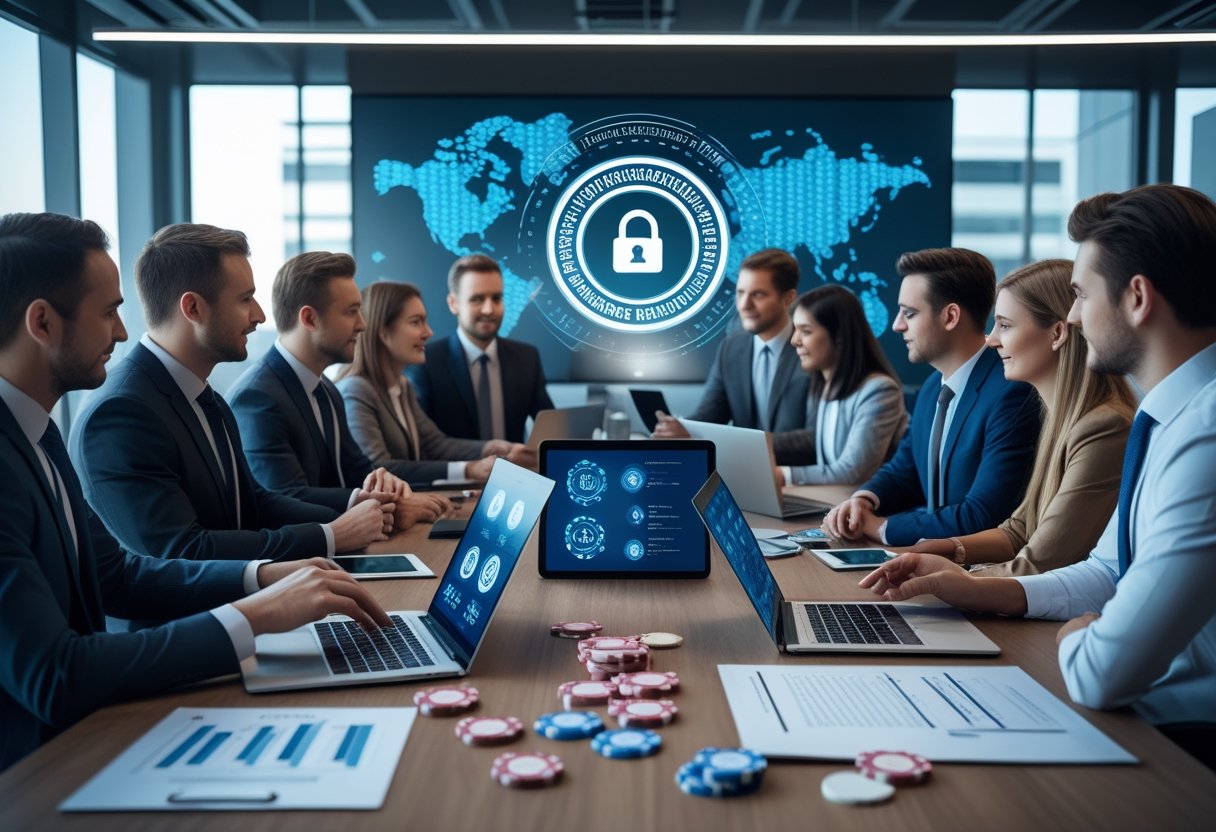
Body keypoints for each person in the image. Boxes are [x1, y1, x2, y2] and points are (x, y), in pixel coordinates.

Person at [0, 212, 391, 772]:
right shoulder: (95, 418)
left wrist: (263, 577)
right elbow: (55, 675)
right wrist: (254, 614)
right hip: (42, 769)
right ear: (42, 322)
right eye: (109, 312)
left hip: (98, 725)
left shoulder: (37, 431)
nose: (121, 330)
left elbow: (117, 575)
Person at [860, 184, 1216, 766]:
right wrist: (972, 585)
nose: (1073, 316)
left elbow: (1102, 672)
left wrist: (1080, 634)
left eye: (1079, 294)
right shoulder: (1169, 417)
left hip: (1181, 737)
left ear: (1137, 298)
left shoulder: (1203, 432)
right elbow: (1107, 568)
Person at [70, 224, 394, 564]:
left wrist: (352, 507)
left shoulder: (203, 395)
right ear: (193, 308)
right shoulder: (122, 412)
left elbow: (252, 501)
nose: (259, 315)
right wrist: (331, 535)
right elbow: (183, 551)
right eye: (245, 299)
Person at [906, 259, 1135, 576]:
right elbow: (1019, 530)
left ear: (1057, 333)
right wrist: (950, 549)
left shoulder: (1103, 427)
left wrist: (946, 579)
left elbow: (1040, 562)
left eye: (1006, 325)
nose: (991, 339)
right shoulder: (1059, 418)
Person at [822, 247, 1041, 546]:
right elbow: (905, 471)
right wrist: (864, 500)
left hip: (976, 574)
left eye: (909, 313)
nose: (897, 325)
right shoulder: (931, 388)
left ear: (950, 316)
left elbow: (982, 515)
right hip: (928, 559)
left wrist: (882, 528)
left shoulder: (1011, 392)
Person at [227, 251, 449, 521]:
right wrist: (379, 504)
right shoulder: (257, 396)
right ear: (309, 319)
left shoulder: (327, 389)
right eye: (352, 312)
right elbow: (285, 495)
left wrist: (386, 486)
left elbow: (357, 469)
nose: (363, 324)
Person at [338, 281, 533, 483]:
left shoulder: (403, 386)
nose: (428, 332)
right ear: (383, 332)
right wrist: (468, 469)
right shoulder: (356, 390)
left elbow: (435, 444)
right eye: (416, 322)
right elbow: (377, 468)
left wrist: (494, 448)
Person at [651, 248, 813, 464]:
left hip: (797, 479)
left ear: (788, 298)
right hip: (743, 474)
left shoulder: (812, 349)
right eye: (740, 293)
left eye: (758, 294)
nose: (744, 305)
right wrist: (681, 429)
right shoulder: (731, 348)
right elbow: (709, 418)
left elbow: (815, 439)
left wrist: (745, 443)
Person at [407, 254, 553, 443]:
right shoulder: (426, 362)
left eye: (496, 298)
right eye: (477, 299)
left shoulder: (527, 358)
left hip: (514, 471)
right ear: (453, 303)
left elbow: (551, 427)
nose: (489, 309)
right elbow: (424, 444)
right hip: (454, 472)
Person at [773, 284, 907, 486]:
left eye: (806, 331)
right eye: (795, 330)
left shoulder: (879, 390)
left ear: (840, 337)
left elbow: (853, 472)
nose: (794, 341)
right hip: (832, 504)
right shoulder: (824, 387)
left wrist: (783, 475)